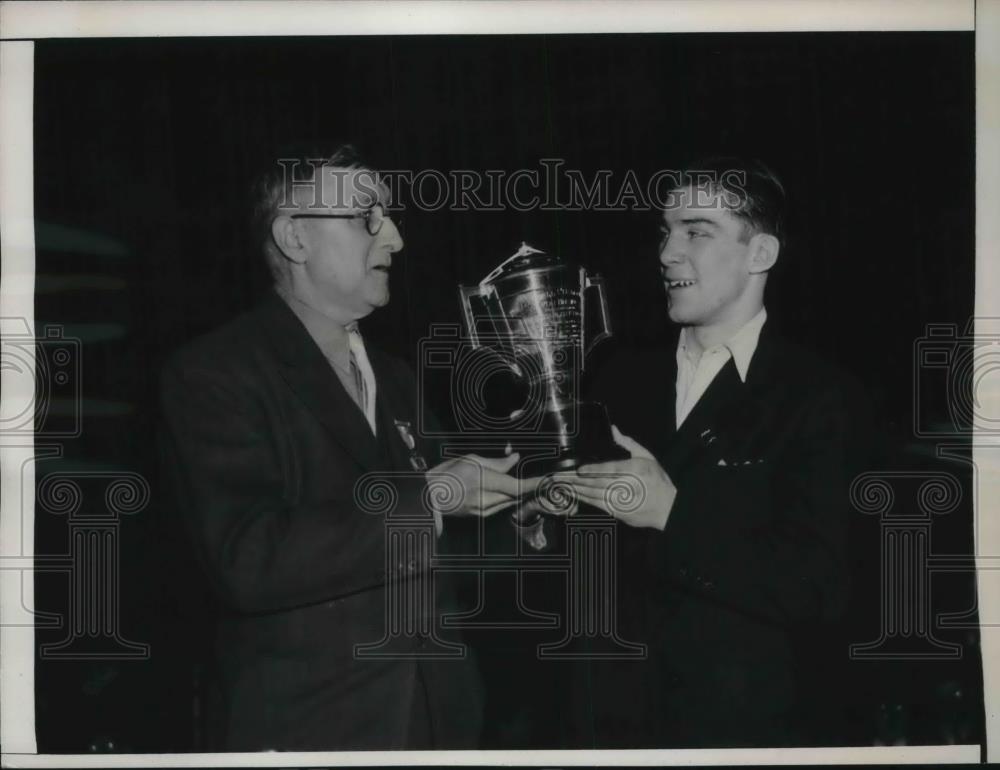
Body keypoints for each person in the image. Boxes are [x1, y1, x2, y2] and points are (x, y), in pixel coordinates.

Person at [159, 144, 531, 751]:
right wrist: (433, 497)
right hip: (307, 734)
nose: (396, 240)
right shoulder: (215, 372)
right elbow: (247, 558)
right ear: (295, 238)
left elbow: (438, 547)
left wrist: (517, 516)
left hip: (439, 725)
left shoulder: (397, 376)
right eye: (367, 217)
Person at [563, 158, 869, 747]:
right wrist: (539, 517)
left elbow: (822, 589)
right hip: (607, 726)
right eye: (665, 231)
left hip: (745, 731)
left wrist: (672, 515)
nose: (668, 252)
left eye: (696, 231)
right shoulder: (614, 379)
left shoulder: (821, 396)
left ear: (760, 255)